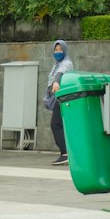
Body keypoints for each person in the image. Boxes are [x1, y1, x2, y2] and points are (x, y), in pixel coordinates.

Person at [46, 38, 73, 166]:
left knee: (55, 124)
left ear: (65, 50)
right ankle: (67, 153)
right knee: (61, 125)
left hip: (63, 97)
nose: (58, 52)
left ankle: (65, 153)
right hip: (59, 97)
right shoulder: (56, 64)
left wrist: (56, 82)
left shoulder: (66, 63)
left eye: (60, 49)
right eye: (55, 50)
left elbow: (60, 74)